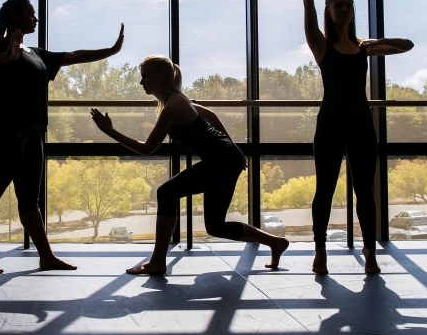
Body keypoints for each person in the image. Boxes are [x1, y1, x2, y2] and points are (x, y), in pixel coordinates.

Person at [0, 0, 124, 275]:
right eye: (29, 14)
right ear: (14, 17)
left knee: (29, 201)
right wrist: (6, 57)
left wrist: (111, 50)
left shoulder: (35, 53)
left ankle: (46, 256)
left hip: (33, 134)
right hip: (6, 135)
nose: (35, 19)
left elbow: (73, 56)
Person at [90, 55, 290, 275]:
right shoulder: (177, 101)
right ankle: (275, 242)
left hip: (222, 161)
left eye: (146, 76)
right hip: (225, 159)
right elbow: (211, 115)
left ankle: (157, 261)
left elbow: (147, 148)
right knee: (215, 226)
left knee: (165, 193)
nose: (141, 82)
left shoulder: (174, 105)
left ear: (162, 75)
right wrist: (233, 148)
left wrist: (110, 132)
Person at [304, 0, 413, 274]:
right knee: (325, 187)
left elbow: (406, 45)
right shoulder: (322, 46)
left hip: (362, 123)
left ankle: (369, 252)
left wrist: (369, 44)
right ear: (330, 11)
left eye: (349, 5)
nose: (345, 9)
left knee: (365, 190)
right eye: (339, 5)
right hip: (331, 123)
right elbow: (308, 9)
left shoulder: (364, 48)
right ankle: (320, 249)